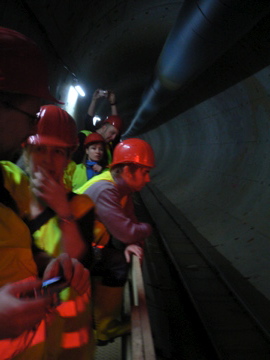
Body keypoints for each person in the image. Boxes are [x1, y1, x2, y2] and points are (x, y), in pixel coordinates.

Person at [0, 26, 90, 358]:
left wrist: (48, 264)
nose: (31, 127)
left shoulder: (9, 184)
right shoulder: (14, 181)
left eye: (59, 152)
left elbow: (18, 251)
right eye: (30, 114)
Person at [23, 104, 96, 359]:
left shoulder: (82, 206)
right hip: (26, 335)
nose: (47, 159)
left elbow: (79, 259)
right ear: (26, 151)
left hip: (70, 336)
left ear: (68, 157)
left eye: (57, 152)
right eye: (40, 149)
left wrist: (63, 210)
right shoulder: (12, 203)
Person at [76, 138, 155, 345]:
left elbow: (129, 222)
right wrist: (147, 229)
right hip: (66, 249)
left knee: (113, 259)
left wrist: (130, 240)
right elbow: (128, 231)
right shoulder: (106, 189)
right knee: (117, 264)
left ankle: (99, 320)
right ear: (128, 170)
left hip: (81, 246)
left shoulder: (121, 189)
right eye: (145, 172)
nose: (148, 179)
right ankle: (105, 328)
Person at [72, 88, 123, 165]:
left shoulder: (109, 147)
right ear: (104, 128)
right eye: (112, 133)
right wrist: (94, 100)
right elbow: (88, 120)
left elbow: (115, 124)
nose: (113, 137)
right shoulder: (85, 136)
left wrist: (113, 103)